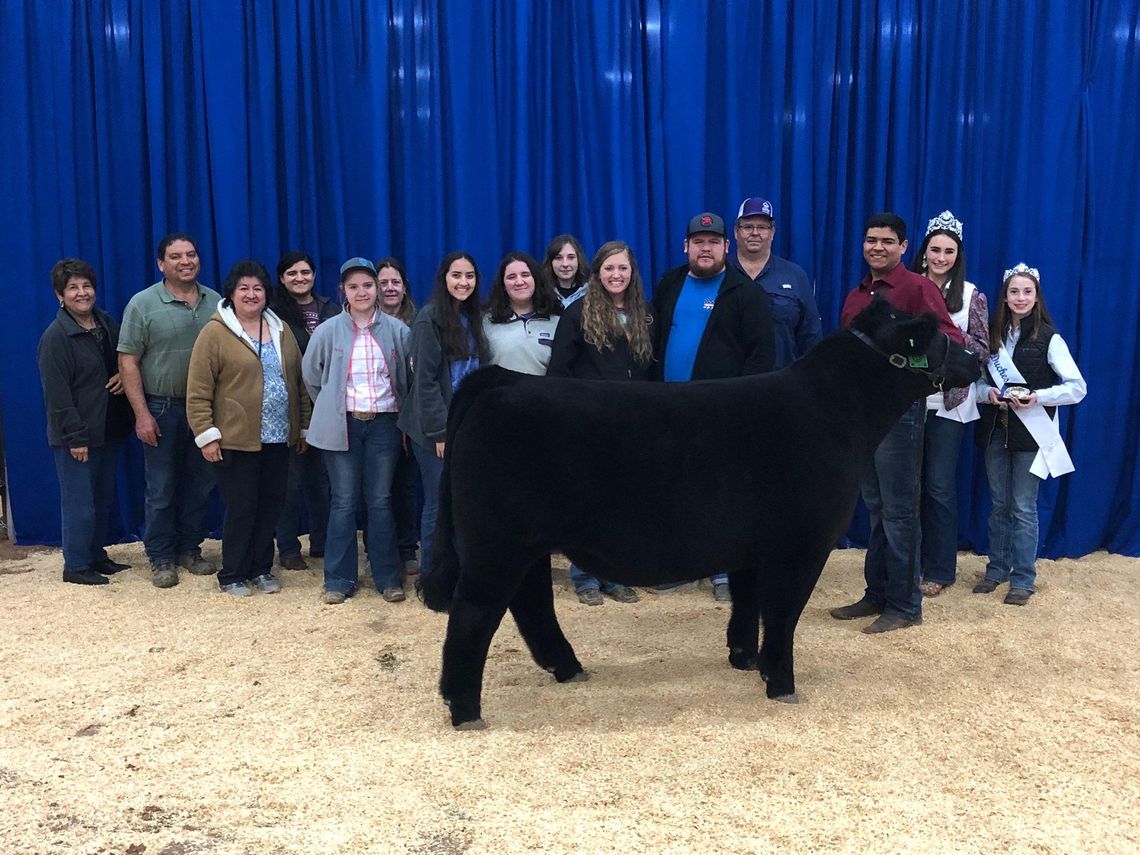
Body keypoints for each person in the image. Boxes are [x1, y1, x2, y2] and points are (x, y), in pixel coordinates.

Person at [830, 212, 964, 633]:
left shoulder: (916, 288)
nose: (878, 247)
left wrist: (905, 367)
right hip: (860, 415)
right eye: (871, 240)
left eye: (888, 241)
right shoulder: (857, 296)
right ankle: (878, 593)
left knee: (901, 511)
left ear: (905, 247)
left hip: (898, 414)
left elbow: (950, 343)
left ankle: (906, 606)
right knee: (876, 507)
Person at [651, 211, 776, 601]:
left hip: (722, 415)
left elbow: (761, 358)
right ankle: (681, 565)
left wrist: (743, 410)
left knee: (723, 495)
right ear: (686, 246)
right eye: (698, 241)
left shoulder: (745, 293)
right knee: (675, 489)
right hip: (669, 409)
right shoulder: (669, 284)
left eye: (713, 242)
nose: (706, 248)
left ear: (727, 246)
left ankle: (723, 571)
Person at [187, 260, 310, 596]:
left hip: (277, 438)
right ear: (232, 293)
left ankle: (260, 569)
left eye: (257, 288)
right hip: (235, 440)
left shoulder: (282, 331)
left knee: (270, 505)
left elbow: (297, 384)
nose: (251, 294)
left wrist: (301, 428)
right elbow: (198, 390)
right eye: (244, 288)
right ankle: (232, 574)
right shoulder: (215, 333)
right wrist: (206, 434)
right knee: (242, 507)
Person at [973, 264, 1085, 605]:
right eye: (1014, 292)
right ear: (1004, 297)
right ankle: (996, 570)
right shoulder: (991, 337)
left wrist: (1040, 396)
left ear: (1036, 297)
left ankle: (1023, 578)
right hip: (995, 429)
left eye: (1027, 292)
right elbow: (976, 383)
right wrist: (985, 394)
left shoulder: (1050, 338)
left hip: (1031, 434)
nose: (1020, 298)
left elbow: (1076, 388)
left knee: (1023, 507)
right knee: (998, 505)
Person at [548, 241, 653, 605]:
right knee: (587, 502)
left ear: (632, 273)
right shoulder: (576, 314)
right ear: (597, 274)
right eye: (609, 268)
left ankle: (616, 574)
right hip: (589, 424)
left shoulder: (645, 314)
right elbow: (558, 372)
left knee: (624, 502)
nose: (616, 275)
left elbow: (651, 371)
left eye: (623, 268)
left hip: (635, 424)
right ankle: (585, 577)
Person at [303, 257, 410, 605]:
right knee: (344, 502)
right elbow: (312, 377)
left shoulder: (397, 331)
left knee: (380, 501)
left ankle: (388, 577)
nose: (361, 292)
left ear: (378, 288)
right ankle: (338, 579)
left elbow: (407, 378)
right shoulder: (327, 331)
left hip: (384, 425)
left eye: (368, 285)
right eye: (353, 287)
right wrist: (334, 408)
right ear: (342, 291)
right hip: (343, 425)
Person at [118, 232, 221, 588]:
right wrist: (142, 414)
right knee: (160, 488)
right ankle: (161, 557)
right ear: (161, 264)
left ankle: (189, 549)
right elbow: (127, 362)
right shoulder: (142, 304)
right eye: (176, 257)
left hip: (205, 412)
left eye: (191, 254)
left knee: (201, 485)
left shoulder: (217, 303)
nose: (186, 261)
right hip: (161, 408)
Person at [908, 211, 990, 596]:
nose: (941, 257)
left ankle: (939, 568)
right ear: (924, 251)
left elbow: (983, 351)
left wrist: (949, 333)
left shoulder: (972, 295)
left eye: (949, 251)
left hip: (950, 403)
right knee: (906, 487)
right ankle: (904, 563)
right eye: (935, 249)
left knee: (939, 487)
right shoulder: (906, 287)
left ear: (958, 256)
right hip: (906, 398)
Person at [37, 258, 133, 585]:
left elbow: (128, 358)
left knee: (101, 499)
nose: (82, 293)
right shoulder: (56, 338)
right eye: (73, 288)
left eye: (87, 285)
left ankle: (95, 555)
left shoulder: (105, 323)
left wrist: (124, 373)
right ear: (59, 296)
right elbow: (57, 396)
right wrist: (75, 437)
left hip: (108, 428)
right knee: (80, 504)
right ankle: (75, 565)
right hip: (77, 435)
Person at [399, 252, 486, 579]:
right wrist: (440, 433)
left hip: (468, 426)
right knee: (439, 503)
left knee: (463, 502)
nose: (463, 282)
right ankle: (434, 577)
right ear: (444, 278)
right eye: (457, 275)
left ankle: (459, 569)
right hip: (435, 429)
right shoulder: (428, 318)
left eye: (470, 276)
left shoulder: (473, 316)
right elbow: (424, 381)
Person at [270, 250, 340, 571]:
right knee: (289, 482)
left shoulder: (332, 308)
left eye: (305, 272)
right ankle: (287, 548)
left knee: (322, 480)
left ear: (314, 275)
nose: (300, 278)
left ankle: (323, 542)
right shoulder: (273, 314)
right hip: (290, 406)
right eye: (292, 273)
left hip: (328, 404)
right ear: (282, 278)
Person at [730, 197, 822, 368]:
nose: (755, 233)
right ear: (736, 232)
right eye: (748, 227)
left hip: (780, 384)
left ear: (772, 233)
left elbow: (811, 334)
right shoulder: (722, 274)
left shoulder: (795, 275)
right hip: (729, 384)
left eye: (763, 227)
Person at [376, 256, 421, 576]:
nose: (390, 288)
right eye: (383, 283)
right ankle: (379, 549)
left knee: (405, 486)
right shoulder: (360, 324)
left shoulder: (420, 322)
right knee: (377, 490)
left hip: (412, 417)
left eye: (395, 282)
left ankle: (407, 549)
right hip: (376, 416)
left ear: (405, 288)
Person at [483, 252, 562, 374]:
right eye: (511, 277)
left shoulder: (559, 322)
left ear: (535, 280)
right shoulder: (486, 322)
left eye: (525, 275)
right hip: (499, 392)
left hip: (545, 392)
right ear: (503, 285)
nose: (519, 282)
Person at [541, 234, 590, 308]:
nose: (565, 264)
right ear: (550, 262)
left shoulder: (591, 292)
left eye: (571, 257)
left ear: (579, 260)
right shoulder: (541, 293)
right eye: (558, 258)